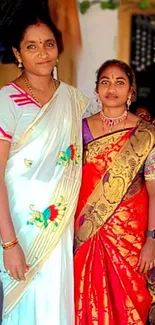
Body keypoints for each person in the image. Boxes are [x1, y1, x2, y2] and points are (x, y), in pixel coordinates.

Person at [0, 2, 89, 325]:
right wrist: (9, 243)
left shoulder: (73, 100)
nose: (42, 53)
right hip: (18, 227)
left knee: (55, 302)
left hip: (60, 226)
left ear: (58, 48)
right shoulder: (6, 100)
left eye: (48, 44)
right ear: (17, 53)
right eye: (32, 46)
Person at [74, 59, 155, 325]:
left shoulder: (148, 135)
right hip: (86, 230)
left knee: (129, 302)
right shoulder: (79, 129)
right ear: (96, 90)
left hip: (129, 236)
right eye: (105, 82)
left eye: (120, 82)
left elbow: (154, 193)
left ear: (131, 90)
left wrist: (152, 240)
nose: (112, 88)